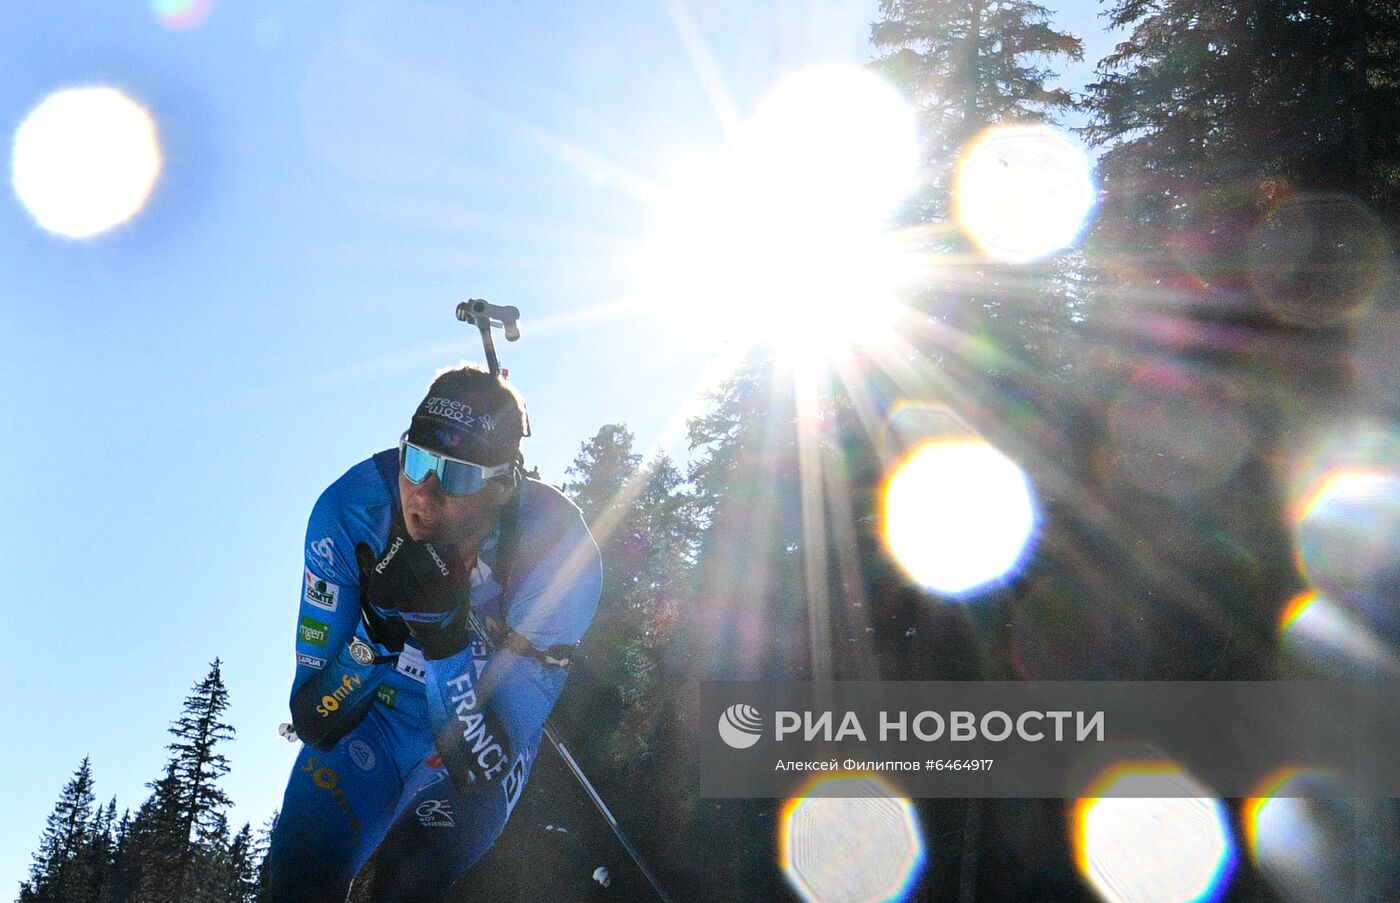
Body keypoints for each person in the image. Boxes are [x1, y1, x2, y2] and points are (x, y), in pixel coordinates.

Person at [265, 363, 602, 900]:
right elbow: (313, 719)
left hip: (467, 744)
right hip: (368, 725)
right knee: (298, 881)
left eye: (458, 475)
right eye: (415, 459)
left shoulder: (561, 557)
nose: (422, 495)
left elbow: (483, 764)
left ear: (501, 487)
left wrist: (445, 643)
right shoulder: (352, 514)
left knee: (409, 881)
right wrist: (375, 636)